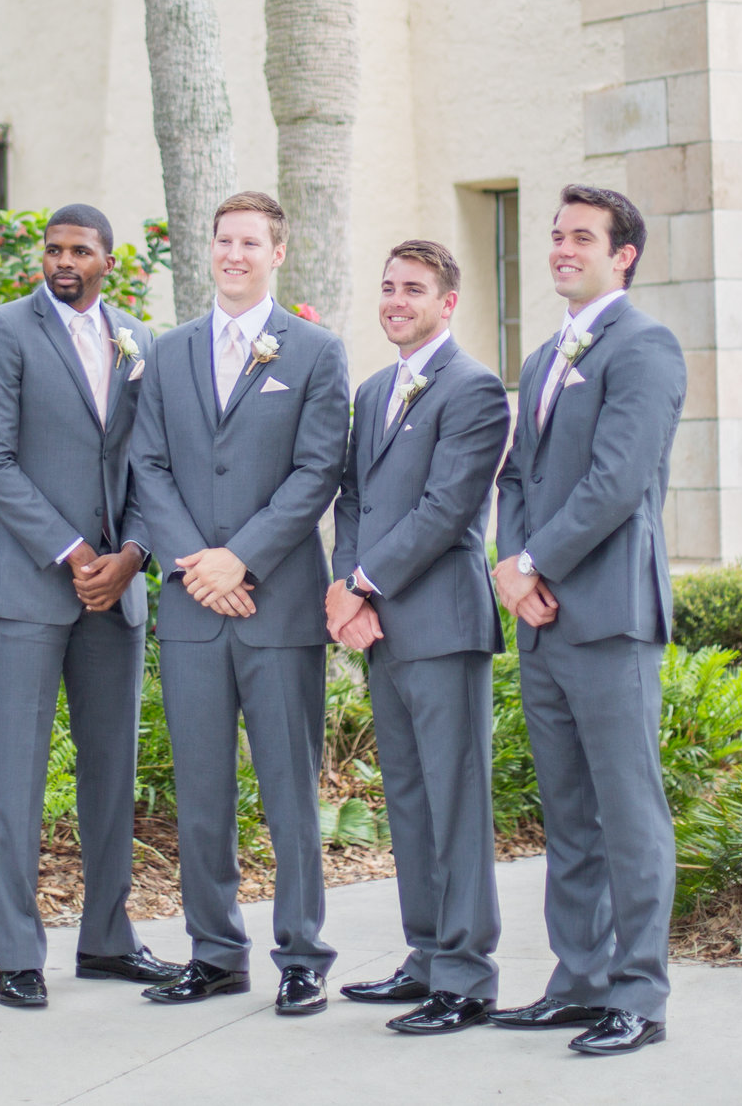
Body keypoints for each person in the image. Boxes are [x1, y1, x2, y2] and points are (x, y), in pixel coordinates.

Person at [128, 190, 349, 1016]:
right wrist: (196, 563)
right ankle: (216, 950)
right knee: (202, 789)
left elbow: (317, 469)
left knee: (290, 786)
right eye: (224, 240)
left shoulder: (316, 352)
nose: (234, 253)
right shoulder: (170, 348)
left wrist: (240, 558)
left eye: (251, 241)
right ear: (209, 248)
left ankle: (302, 952)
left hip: (278, 605)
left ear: (276, 253)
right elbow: (148, 465)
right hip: (193, 608)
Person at [487, 185, 687, 1057]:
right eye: (556, 235)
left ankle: (639, 993)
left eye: (581, 237)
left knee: (628, 809)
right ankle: (578, 981)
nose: (562, 248)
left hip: (608, 614)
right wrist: (511, 568)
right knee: (566, 812)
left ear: (624, 253)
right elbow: (517, 477)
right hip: (542, 619)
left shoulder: (645, 346)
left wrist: (534, 563)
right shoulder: (543, 357)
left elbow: (616, 481)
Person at [0, 205, 179, 1010]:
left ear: (107, 260)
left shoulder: (140, 342)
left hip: (115, 593)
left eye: (78, 249)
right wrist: (73, 551)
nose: (62, 259)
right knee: (17, 770)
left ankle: (109, 939)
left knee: (110, 771)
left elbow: (156, 464)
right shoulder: (2, 332)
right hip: (30, 585)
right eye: (51, 248)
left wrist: (132, 556)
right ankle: (17, 948)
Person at [326, 240, 511, 1036]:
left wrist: (363, 582)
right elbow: (353, 501)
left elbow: (446, 511)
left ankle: (468, 977)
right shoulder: (373, 390)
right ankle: (427, 954)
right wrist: (343, 593)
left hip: (442, 624)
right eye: (388, 286)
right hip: (381, 627)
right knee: (407, 795)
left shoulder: (473, 391)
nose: (397, 300)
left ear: (448, 301)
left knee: (455, 799)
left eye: (414, 288)